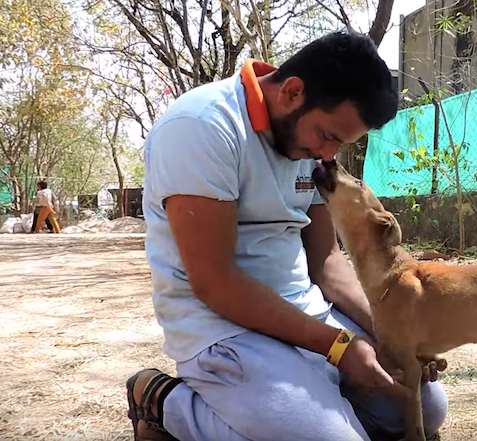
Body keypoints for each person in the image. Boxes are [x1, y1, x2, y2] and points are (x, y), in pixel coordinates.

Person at [126, 31, 448, 441]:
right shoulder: (202, 126)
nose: (327, 155)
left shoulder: (307, 147)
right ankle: (165, 401)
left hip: (306, 314)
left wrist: (386, 330)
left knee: (425, 407)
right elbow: (215, 283)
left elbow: (327, 261)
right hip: (222, 327)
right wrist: (338, 348)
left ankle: (308, 408)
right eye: (328, 135)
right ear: (293, 92)